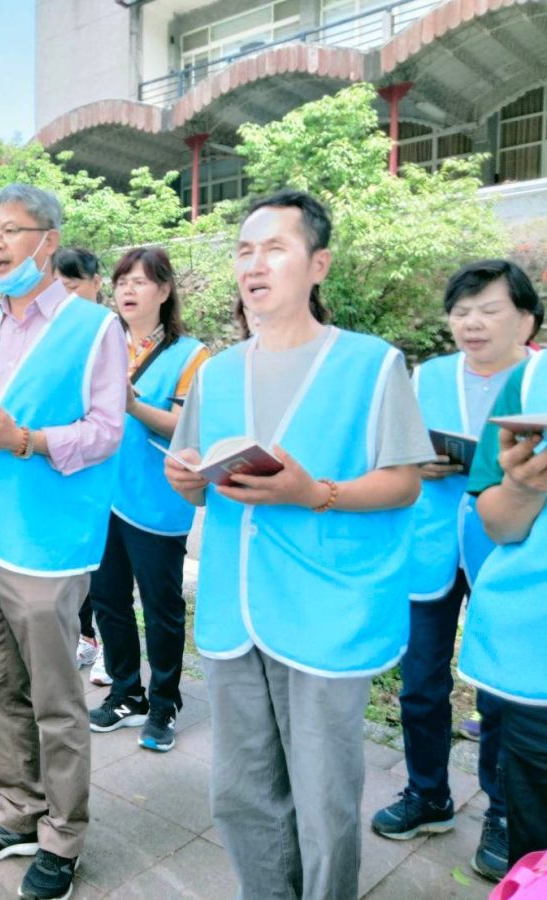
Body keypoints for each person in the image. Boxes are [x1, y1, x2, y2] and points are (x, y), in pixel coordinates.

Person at [165, 189, 432, 900]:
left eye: (274, 248)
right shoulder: (216, 373)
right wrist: (186, 480)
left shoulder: (372, 364)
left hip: (326, 610)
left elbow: (405, 481)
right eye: (244, 251)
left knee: (324, 803)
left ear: (318, 265)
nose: (255, 265)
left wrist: (318, 493)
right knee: (242, 792)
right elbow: (196, 483)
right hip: (234, 605)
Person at [0, 184, 125, 900]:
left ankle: (63, 838)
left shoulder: (93, 327)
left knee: (54, 697)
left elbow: (106, 432)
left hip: (44, 541)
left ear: (47, 240)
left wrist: (24, 440)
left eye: (10, 231)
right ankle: (17, 809)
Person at [371, 260, 541, 881]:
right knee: (420, 678)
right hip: (432, 542)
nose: (472, 323)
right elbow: (400, 448)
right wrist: (421, 459)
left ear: (526, 318)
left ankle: (502, 813)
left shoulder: (537, 378)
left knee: (501, 696)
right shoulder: (430, 373)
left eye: (489, 311)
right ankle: (428, 793)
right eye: (461, 311)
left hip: (507, 550)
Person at [87, 247, 210, 752]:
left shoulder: (191, 354)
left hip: (157, 499)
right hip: (101, 493)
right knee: (107, 599)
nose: (128, 291)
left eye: (140, 282)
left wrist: (133, 405)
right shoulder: (103, 344)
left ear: (164, 290)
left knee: (160, 606)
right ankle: (125, 691)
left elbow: (186, 424)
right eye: (121, 283)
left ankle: (164, 701)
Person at [459, 349, 547, 870]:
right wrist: (521, 484)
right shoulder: (533, 379)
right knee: (536, 857)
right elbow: (500, 525)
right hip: (534, 656)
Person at [53, 247, 109, 680]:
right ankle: (85, 637)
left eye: (73, 286)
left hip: (113, 474)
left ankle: (111, 648)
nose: (65, 295)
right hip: (65, 471)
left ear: (96, 284)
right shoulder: (54, 338)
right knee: (78, 567)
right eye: (60, 286)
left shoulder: (108, 333)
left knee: (112, 576)